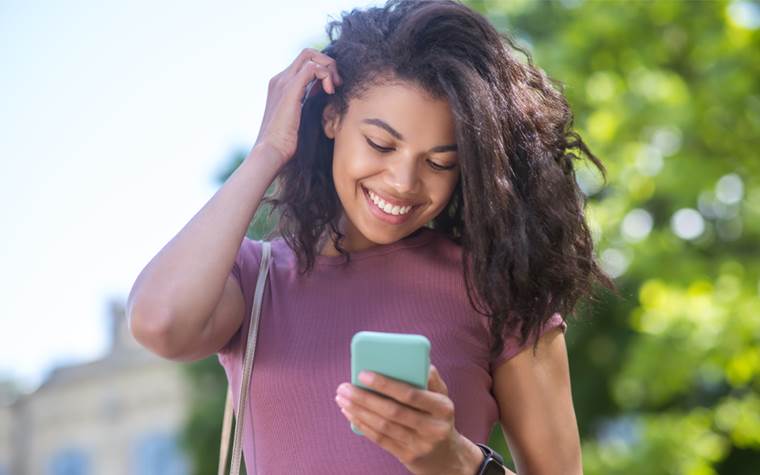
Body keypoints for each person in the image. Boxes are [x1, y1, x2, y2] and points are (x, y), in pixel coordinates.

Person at [127, 0, 616, 473]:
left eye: (440, 162)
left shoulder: (497, 287)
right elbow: (160, 322)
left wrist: (456, 462)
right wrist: (269, 150)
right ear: (331, 117)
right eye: (381, 144)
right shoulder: (256, 282)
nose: (404, 182)